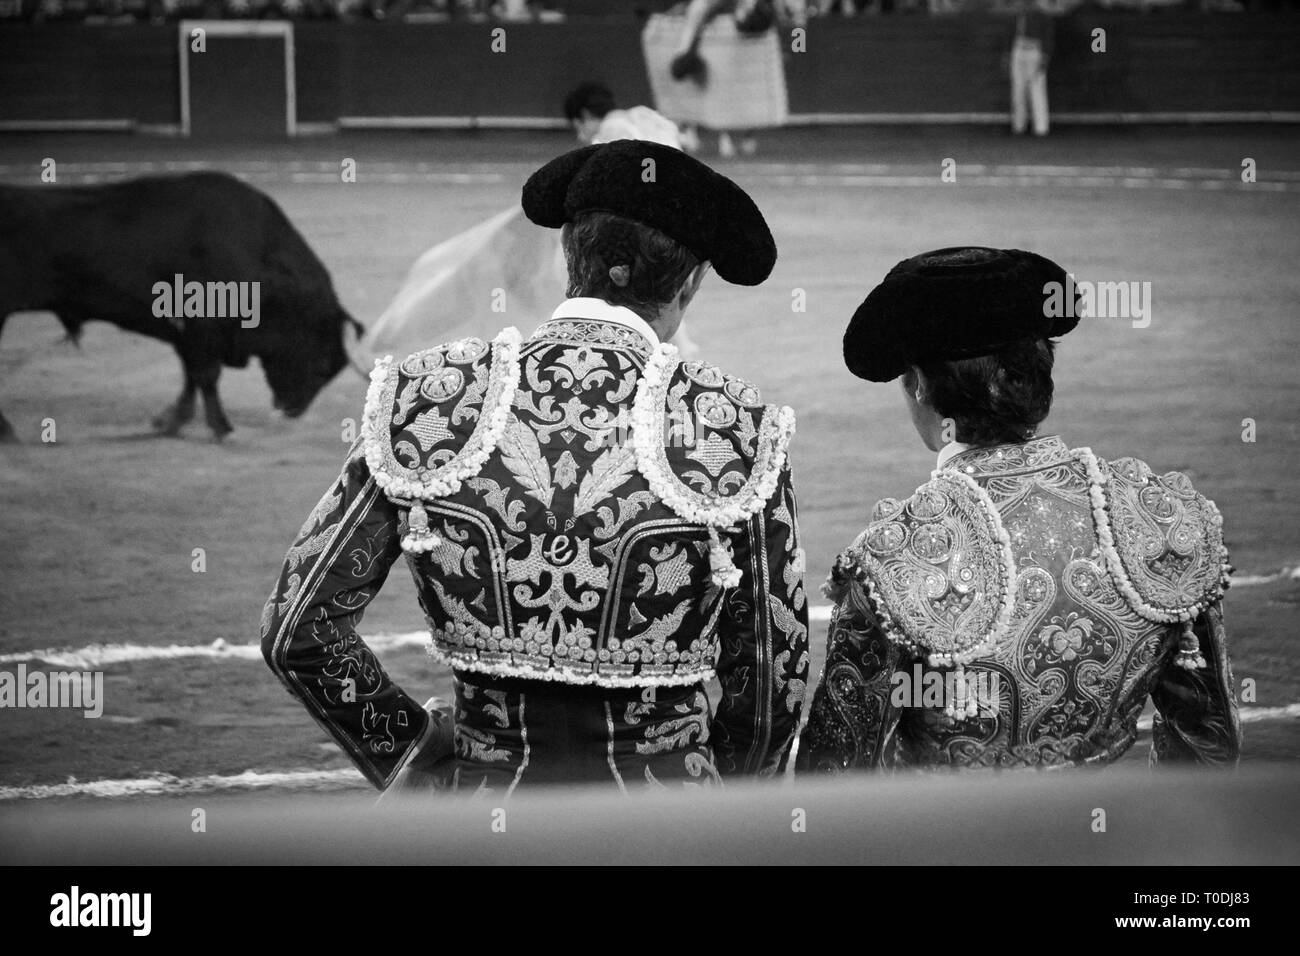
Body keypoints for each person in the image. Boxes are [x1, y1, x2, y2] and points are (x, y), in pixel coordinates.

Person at [263, 140, 809, 794]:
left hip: (486, 809)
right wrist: (717, 798)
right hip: (667, 823)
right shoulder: (733, 424)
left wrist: (410, 748)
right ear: (691, 281)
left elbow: (298, 631)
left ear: (567, 256)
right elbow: (773, 680)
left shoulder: (429, 397)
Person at [798, 246, 1241, 772]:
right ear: (1038, 372)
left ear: (917, 382)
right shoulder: (1161, 517)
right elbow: (1209, 745)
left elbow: (838, 775)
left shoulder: (893, 562)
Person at [362, 82, 700, 362]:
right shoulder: (651, 118)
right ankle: (674, 362)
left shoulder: (613, 130)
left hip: (630, 234)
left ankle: (587, 359)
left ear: (584, 116)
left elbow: (607, 181)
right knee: (661, 298)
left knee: (597, 293)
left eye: (579, 125)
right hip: (674, 232)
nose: (581, 134)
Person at [1006, 0, 1054, 137]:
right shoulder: (1019, 14)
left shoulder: (1041, 15)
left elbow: (1048, 37)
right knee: (1018, 89)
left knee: (1036, 88)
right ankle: (1020, 126)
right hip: (1019, 49)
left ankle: (1040, 127)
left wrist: (1045, 56)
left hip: (1033, 49)